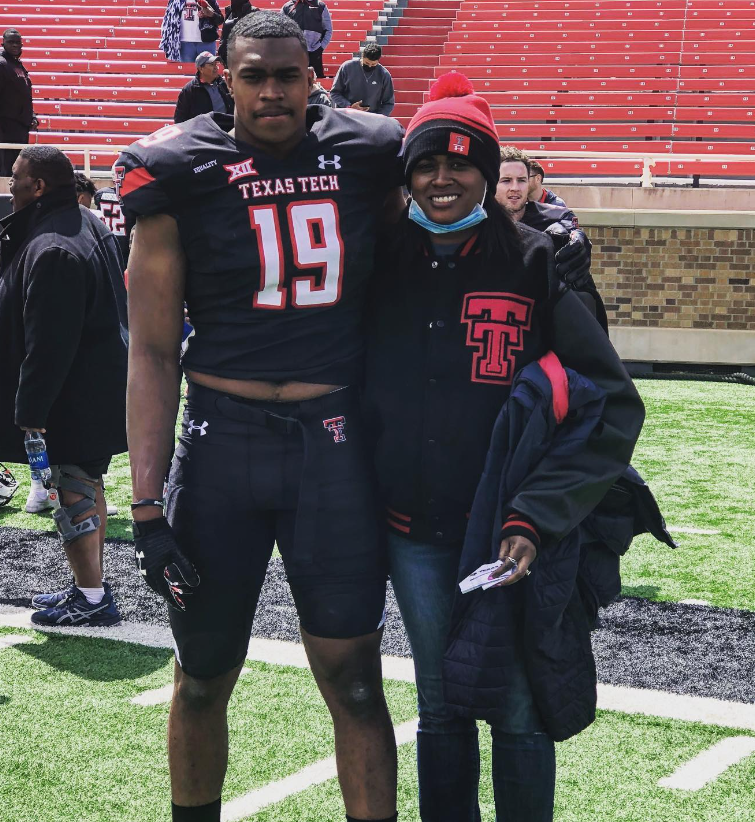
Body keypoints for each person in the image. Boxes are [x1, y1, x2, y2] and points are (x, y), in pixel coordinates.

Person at [117, 11, 404, 822]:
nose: (272, 91)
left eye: (287, 74)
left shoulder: (371, 149)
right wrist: (144, 503)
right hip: (221, 447)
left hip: (334, 445)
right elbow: (149, 351)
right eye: (254, 76)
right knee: (202, 676)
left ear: (314, 73)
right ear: (224, 74)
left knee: (354, 679)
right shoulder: (177, 167)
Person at [363, 73, 645, 822]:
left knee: (518, 706)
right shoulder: (377, 257)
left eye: (461, 164)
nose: (442, 178)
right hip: (410, 529)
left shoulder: (532, 261)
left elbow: (610, 402)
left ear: (489, 175)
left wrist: (536, 514)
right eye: (425, 164)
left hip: (507, 533)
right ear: (408, 174)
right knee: (439, 700)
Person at [0, 146, 127, 626]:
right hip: (99, 383)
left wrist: (30, 413)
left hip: (74, 396)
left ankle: (92, 600)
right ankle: (88, 587)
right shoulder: (86, 221)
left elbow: (49, 345)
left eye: (16, 177)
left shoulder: (53, 247)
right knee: (86, 482)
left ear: (38, 187)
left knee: (71, 489)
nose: (9, 184)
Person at [497, 145, 607, 330]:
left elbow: (567, 227)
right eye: (506, 180)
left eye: (522, 180)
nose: (515, 188)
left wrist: (574, 237)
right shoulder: (477, 221)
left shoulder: (556, 217)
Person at [0, 30, 38, 177]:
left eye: (18, 42)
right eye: (11, 42)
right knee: (6, 170)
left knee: (17, 169)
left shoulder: (17, 65)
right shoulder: (2, 65)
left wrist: (31, 116)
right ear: (3, 44)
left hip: (20, 126)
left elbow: (24, 96)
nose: (15, 45)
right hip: (5, 127)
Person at [330, 44, 395, 116]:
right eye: (366, 63)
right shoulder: (347, 67)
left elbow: (388, 103)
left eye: (373, 64)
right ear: (362, 56)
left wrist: (377, 118)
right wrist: (349, 106)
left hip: (371, 120)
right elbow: (335, 93)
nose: (370, 66)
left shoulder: (384, 75)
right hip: (347, 117)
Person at [174, 51, 233, 122]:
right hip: (202, 131)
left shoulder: (224, 84)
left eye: (216, 64)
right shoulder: (190, 89)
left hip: (224, 130)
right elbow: (180, 118)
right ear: (201, 69)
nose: (216, 68)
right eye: (211, 64)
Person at [281, 0, 332, 78]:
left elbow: (328, 29)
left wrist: (321, 47)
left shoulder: (320, 6)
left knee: (316, 82)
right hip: (293, 53)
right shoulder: (287, 6)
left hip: (314, 52)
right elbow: (280, 29)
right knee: (292, 81)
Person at [218, 0, 258, 66]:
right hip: (229, 57)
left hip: (246, 58)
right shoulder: (229, 11)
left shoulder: (253, 11)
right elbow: (224, 36)